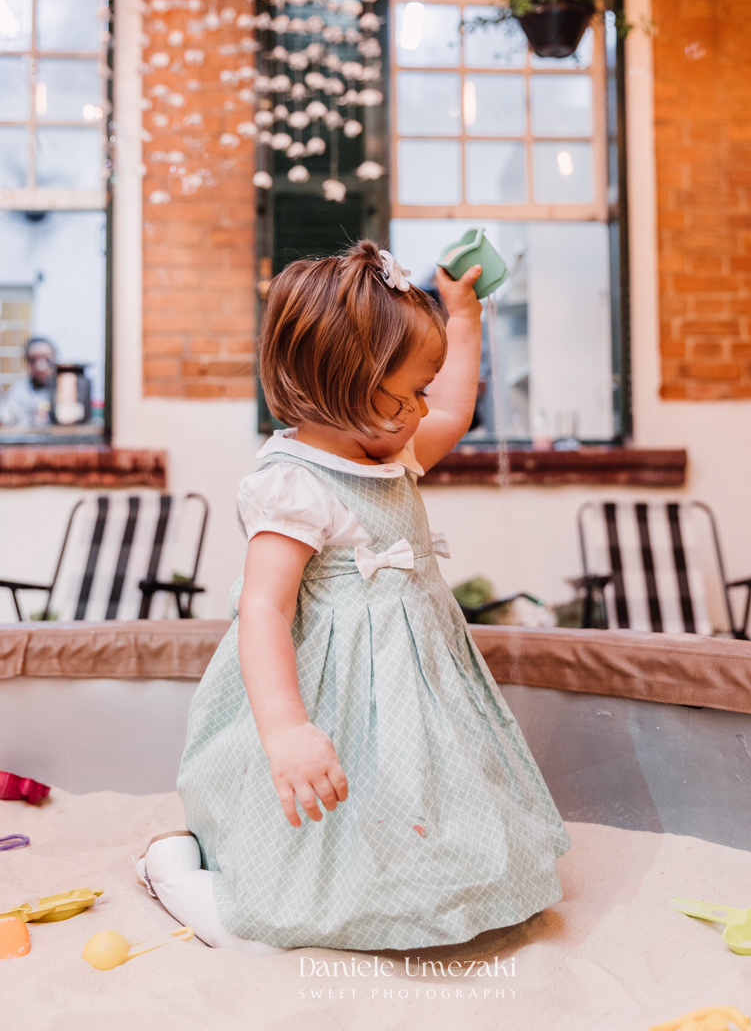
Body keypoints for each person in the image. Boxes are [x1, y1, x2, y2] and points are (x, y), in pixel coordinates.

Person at [134, 241, 569, 953]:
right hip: (329, 693)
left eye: (422, 390)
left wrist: (462, 316)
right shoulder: (295, 484)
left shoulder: (388, 448)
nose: (424, 407)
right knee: (310, 855)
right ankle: (176, 876)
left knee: (422, 791)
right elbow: (264, 609)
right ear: (347, 387)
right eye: (409, 394)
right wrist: (287, 732)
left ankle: (426, 888)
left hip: (411, 684)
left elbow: (454, 408)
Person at [0, 338, 56, 428]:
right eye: (33, 360)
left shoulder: (68, 389)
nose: (40, 367)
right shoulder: (19, 390)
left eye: (47, 359)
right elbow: (6, 419)